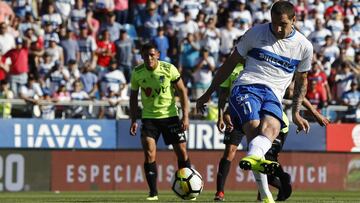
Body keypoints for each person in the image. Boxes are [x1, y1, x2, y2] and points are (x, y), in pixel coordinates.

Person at [196, 2, 313, 203]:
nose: (277, 29)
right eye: (274, 23)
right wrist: (209, 93)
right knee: (254, 127)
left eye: (282, 24)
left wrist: (296, 112)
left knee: (272, 129)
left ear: (294, 20)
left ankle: (262, 181)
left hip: (274, 95)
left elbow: (302, 81)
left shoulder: (304, 46)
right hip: (247, 86)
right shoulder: (255, 33)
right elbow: (229, 64)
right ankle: (262, 181)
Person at [214, 64, 330, 201]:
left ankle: (278, 183)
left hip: (268, 120)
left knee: (264, 162)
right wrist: (221, 116)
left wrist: (315, 113)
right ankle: (220, 192)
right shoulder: (233, 68)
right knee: (231, 152)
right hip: (238, 114)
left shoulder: (265, 69)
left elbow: (295, 93)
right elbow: (223, 94)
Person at [129, 43, 191, 201]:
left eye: (151, 54)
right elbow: (133, 98)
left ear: (157, 54)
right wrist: (134, 119)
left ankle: (188, 188)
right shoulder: (137, 73)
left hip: (170, 116)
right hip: (149, 118)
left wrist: (185, 116)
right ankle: (153, 192)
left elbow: (182, 91)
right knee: (149, 151)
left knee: (181, 151)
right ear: (141, 56)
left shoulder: (169, 69)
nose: (149, 58)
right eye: (145, 55)